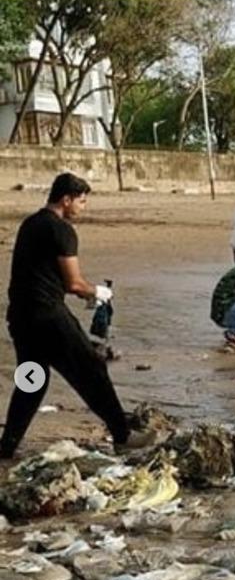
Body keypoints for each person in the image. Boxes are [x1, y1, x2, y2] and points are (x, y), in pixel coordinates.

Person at [0, 173, 154, 459]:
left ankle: (7, 445)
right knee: (91, 368)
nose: (83, 208)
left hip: (21, 316)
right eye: (81, 202)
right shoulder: (62, 230)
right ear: (66, 199)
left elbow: (40, 273)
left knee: (32, 379)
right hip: (48, 315)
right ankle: (122, 435)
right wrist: (96, 293)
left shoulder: (30, 223)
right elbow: (73, 283)